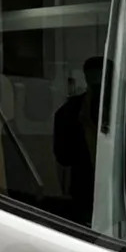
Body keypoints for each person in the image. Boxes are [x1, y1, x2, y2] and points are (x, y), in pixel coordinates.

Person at [53, 56, 108, 225]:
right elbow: (63, 156)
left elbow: (63, 157)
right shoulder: (69, 113)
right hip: (90, 189)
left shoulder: (68, 110)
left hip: (87, 187)